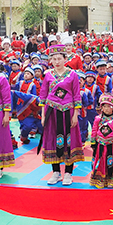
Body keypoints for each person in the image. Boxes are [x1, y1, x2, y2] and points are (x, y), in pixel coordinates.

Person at [40, 44, 84, 186]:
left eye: (59, 58)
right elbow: (43, 95)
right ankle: (56, 172)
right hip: (51, 112)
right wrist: (42, 115)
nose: (57, 61)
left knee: (68, 140)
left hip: (68, 111)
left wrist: (76, 114)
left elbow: (77, 95)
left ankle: (68, 173)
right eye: (54, 59)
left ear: (65, 59)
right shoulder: (48, 75)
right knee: (52, 139)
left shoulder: (72, 75)